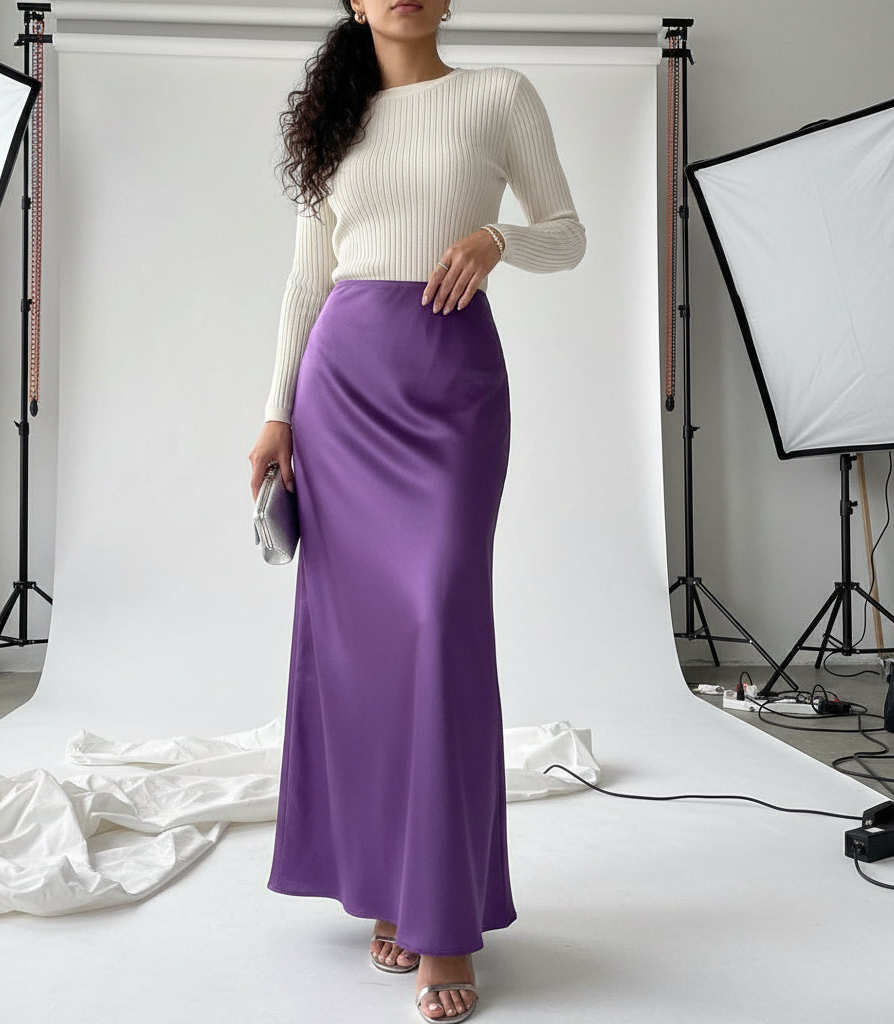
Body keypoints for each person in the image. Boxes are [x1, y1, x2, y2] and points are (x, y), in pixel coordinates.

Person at [247, 2, 586, 1020]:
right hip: (342, 390)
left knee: (439, 624)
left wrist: (495, 239)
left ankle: (444, 922)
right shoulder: (336, 117)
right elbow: (304, 281)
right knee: (361, 651)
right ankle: (390, 886)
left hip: (452, 387)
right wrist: (276, 414)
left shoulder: (498, 95)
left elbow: (567, 236)